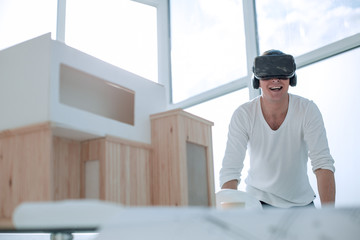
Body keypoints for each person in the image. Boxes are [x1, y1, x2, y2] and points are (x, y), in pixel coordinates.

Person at [219, 49, 336, 208]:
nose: (275, 80)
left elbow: (322, 163)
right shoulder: (243, 115)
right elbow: (230, 170)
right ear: (257, 80)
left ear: (291, 78)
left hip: (301, 203)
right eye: (267, 75)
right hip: (257, 203)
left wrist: (329, 216)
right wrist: (230, 218)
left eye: (281, 74)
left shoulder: (307, 110)